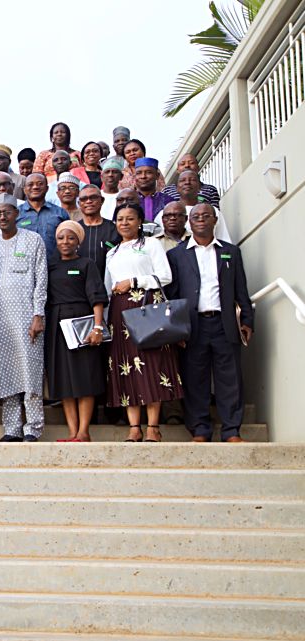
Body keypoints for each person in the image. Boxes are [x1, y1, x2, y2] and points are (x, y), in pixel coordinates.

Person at [166, 203, 253, 442]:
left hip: (225, 323)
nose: (201, 219)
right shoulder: (175, 255)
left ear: (215, 221)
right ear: (188, 222)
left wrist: (247, 319)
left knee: (231, 378)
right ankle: (200, 429)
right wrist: (177, 330)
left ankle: (231, 430)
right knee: (195, 378)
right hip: (192, 326)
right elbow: (171, 296)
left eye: (206, 216)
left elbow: (241, 289)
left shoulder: (231, 252)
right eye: (196, 216)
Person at [104, 202, 183, 443]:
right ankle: (134, 426)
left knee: (151, 365)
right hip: (120, 314)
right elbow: (109, 288)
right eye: (120, 219)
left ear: (140, 222)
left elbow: (165, 276)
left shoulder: (151, 244)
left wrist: (134, 281)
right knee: (126, 367)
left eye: (130, 218)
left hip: (147, 308)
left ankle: (153, 426)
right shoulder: (112, 252)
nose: (124, 223)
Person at [0, 194, 48, 442]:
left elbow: (41, 280)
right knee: (7, 374)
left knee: (30, 371)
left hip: (28, 316)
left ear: (17, 214)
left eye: (7, 212)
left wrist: (38, 314)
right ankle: (11, 428)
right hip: (1, 319)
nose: (2, 217)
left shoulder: (33, 240)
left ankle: (33, 427)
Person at [45, 220, 108, 442]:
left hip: (82, 323)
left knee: (85, 378)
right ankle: (72, 432)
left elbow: (97, 298)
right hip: (56, 326)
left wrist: (98, 327)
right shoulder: (49, 265)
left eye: (71, 238)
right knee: (63, 380)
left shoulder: (86, 264)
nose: (65, 242)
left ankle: (84, 431)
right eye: (61, 237)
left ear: (78, 241)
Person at [154, 170, 232, 242]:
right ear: (177, 188)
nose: (187, 182)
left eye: (192, 180)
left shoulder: (213, 212)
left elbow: (224, 241)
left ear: (199, 187)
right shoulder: (165, 214)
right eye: (183, 180)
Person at [18, 173, 68, 259]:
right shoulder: (15, 214)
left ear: (47, 188)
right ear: (24, 189)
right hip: (24, 266)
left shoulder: (60, 213)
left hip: (54, 266)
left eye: (40, 184)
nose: (35, 187)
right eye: (30, 184)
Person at [77, 184, 120, 276]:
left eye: (93, 197)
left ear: (102, 200)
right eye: (84, 199)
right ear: (79, 203)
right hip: (78, 284)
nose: (89, 201)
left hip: (108, 283)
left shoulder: (114, 229)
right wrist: (73, 274)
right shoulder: (74, 230)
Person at [133, 157, 172, 229]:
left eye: (148, 172)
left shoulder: (169, 201)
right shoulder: (129, 201)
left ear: (157, 175)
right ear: (135, 176)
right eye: (139, 173)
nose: (143, 176)